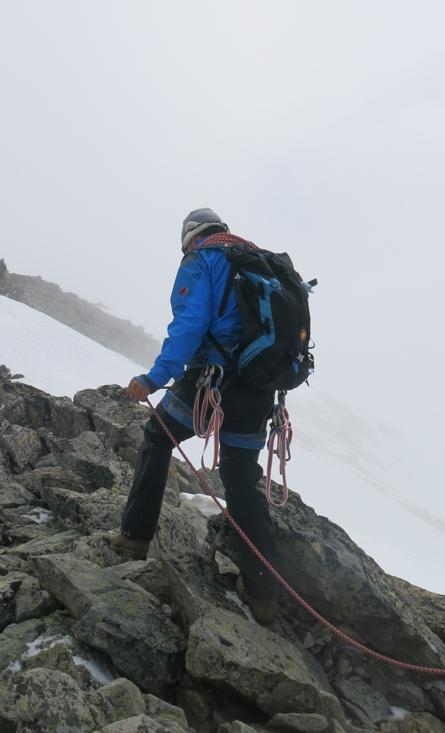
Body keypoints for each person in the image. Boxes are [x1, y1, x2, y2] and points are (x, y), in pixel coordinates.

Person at [110, 207, 280, 622]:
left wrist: (154, 378)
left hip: (212, 381)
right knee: (241, 481)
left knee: (157, 438)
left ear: (190, 236)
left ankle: (134, 537)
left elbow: (188, 326)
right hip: (260, 388)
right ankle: (264, 594)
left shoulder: (203, 260)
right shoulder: (258, 262)